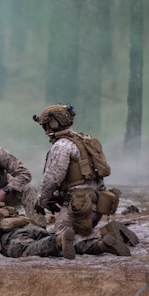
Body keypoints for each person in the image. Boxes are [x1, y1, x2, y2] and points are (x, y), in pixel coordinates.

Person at [33, 103, 112, 260]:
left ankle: (104, 236)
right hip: (98, 202)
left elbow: (52, 179)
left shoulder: (61, 146)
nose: (46, 130)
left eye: (46, 126)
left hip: (79, 206)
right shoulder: (84, 139)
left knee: (58, 239)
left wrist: (42, 201)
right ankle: (111, 233)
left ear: (54, 124)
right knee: (77, 232)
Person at [0, 199, 136, 258]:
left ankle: (57, 239)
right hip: (31, 227)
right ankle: (101, 244)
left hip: (11, 239)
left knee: (30, 250)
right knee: (67, 247)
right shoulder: (6, 213)